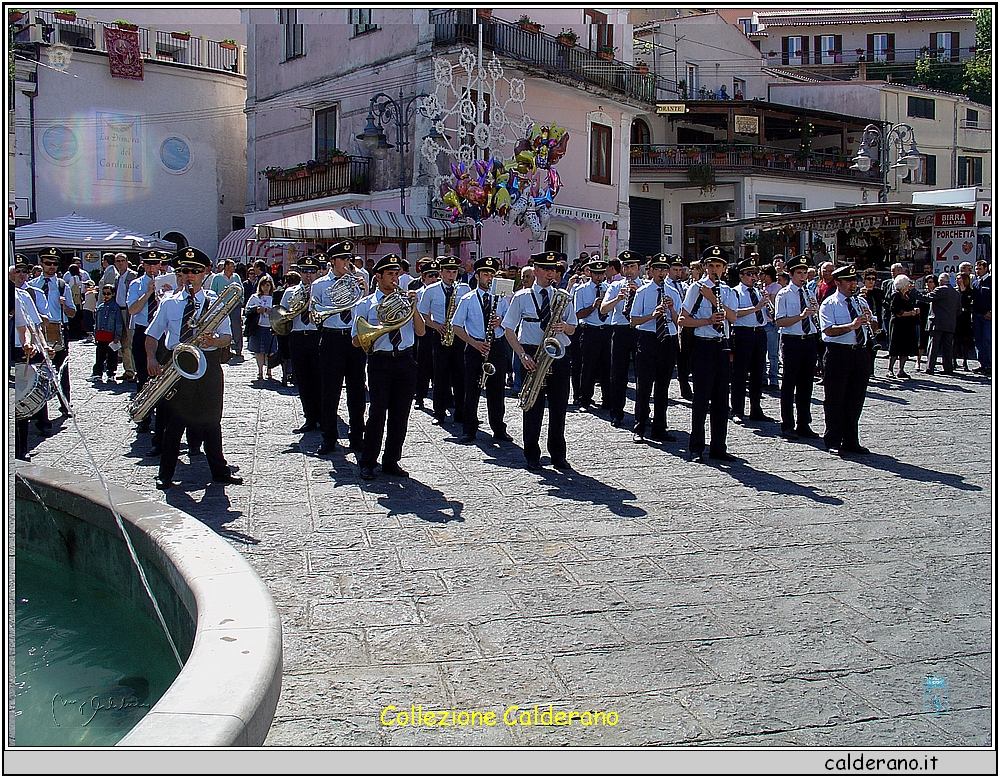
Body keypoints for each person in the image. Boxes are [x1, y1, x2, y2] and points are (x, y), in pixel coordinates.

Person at [145, 247, 242, 490]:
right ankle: (165, 474)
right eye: (185, 271)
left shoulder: (216, 303)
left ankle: (219, 470)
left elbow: (227, 337)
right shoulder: (169, 303)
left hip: (207, 364)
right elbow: (152, 335)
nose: (189, 276)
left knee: (212, 420)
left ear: (204, 274)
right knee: (175, 422)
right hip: (179, 363)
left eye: (195, 272)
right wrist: (151, 359)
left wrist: (215, 341)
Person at [352, 253, 426, 480]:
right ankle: (368, 461)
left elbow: (421, 331)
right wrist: (378, 329)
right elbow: (356, 340)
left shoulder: (405, 300)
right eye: (390, 274)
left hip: (405, 359)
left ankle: (391, 460)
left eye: (397, 274)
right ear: (378, 276)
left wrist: (413, 307)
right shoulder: (365, 304)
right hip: (380, 361)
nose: (395, 278)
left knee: (400, 414)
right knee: (376, 414)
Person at [503, 250, 578, 471]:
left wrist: (564, 327)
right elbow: (509, 329)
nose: (550, 273)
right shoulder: (522, 297)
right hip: (532, 353)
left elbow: (573, 328)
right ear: (535, 271)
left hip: (558, 354)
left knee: (558, 408)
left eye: (553, 270)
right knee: (532, 406)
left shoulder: (562, 297)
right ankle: (532, 455)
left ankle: (558, 455)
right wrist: (521, 355)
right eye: (546, 269)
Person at [678, 245, 738, 463]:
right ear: (704, 267)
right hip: (703, 346)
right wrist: (707, 320)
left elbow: (733, 318)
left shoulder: (729, 291)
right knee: (701, 399)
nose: (714, 270)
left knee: (721, 401)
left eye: (718, 266)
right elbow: (682, 320)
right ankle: (696, 447)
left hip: (722, 346)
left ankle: (719, 447)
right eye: (711, 265)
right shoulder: (696, 288)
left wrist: (714, 299)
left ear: (724, 269)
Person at [312, 241, 368, 455]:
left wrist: (364, 291)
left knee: (357, 390)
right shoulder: (320, 285)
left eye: (349, 260)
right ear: (332, 261)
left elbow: (362, 311)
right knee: (330, 391)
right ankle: (329, 437)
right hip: (331, 338)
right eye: (343, 259)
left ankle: (357, 436)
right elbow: (314, 313)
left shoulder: (357, 282)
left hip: (353, 339)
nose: (347, 263)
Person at [452, 255, 512, 444]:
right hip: (475, 346)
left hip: (496, 346)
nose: (489, 277)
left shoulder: (501, 299)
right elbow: (456, 326)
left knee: (497, 390)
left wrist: (501, 322)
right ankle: (469, 429)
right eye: (485, 273)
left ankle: (499, 428)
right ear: (477, 276)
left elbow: (510, 321)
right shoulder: (468, 298)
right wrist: (473, 343)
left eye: (491, 274)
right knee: (472, 389)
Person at [818, 265, 874, 456]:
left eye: (854, 281)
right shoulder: (829, 304)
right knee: (835, 399)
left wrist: (869, 319)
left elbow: (874, 324)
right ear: (838, 283)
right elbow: (828, 331)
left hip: (860, 353)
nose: (853, 285)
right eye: (849, 282)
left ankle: (851, 440)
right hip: (838, 354)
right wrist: (852, 325)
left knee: (855, 399)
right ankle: (832, 439)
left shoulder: (859, 302)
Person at [629, 253, 681, 443]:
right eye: (658, 269)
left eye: (664, 269)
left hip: (668, 338)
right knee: (644, 385)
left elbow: (679, 321)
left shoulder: (673, 292)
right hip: (648, 337)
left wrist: (672, 309)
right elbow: (634, 321)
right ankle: (640, 426)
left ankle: (660, 427)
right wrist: (652, 315)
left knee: (663, 386)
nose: (662, 273)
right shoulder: (643, 292)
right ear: (651, 271)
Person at [417, 256, 470, 425]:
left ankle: (461, 412)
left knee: (460, 375)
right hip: (439, 335)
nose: (451, 275)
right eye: (447, 272)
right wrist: (435, 325)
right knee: (440, 375)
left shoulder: (464, 289)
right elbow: (422, 313)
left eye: (454, 272)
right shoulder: (430, 290)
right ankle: (439, 412)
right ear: (440, 272)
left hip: (459, 335)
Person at [773, 254, 820, 440]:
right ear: (791, 274)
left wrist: (814, 311)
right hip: (792, 340)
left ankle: (804, 423)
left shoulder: (809, 292)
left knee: (806, 384)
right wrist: (801, 316)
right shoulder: (784, 294)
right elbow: (780, 321)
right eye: (799, 273)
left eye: (804, 273)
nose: (803, 276)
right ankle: (787, 424)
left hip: (809, 339)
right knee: (789, 384)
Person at [29, 246, 76, 419]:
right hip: (39, 332)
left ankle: (65, 404)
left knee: (61, 371)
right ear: (41, 263)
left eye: (54, 264)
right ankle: (40, 412)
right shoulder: (32, 286)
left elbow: (72, 313)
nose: (51, 267)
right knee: (40, 371)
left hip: (58, 331)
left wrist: (65, 305)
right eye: (48, 263)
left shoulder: (63, 285)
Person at [127, 250, 171, 433]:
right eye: (149, 264)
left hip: (162, 332)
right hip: (142, 330)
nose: (153, 268)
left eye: (156, 264)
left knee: (164, 374)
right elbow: (132, 310)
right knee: (143, 374)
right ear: (143, 265)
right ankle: (143, 415)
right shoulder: (136, 284)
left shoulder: (169, 281)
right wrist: (148, 293)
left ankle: (164, 417)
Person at [600, 250, 644, 426]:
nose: (629, 271)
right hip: (620, 330)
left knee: (643, 374)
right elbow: (603, 310)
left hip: (639, 330)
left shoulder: (645, 287)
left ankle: (642, 414)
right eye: (626, 267)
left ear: (639, 268)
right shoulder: (615, 286)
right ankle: (616, 412)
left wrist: (639, 292)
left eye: (632, 267)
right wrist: (618, 299)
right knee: (618, 373)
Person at [729, 257, 774, 424]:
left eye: (755, 274)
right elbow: (734, 314)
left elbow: (767, 313)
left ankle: (756, 409)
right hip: (743, 334)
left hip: (759, 333)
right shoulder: (735, 292)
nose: (754, 277)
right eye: (750, 274)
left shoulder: (758, 291)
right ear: (741, 275)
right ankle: (737, 410)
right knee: (740, 374)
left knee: (758, 372)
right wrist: (756, 308)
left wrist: (769, 308)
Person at [284, 257, 323, 433]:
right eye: (305, 271)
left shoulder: (322, 290)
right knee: (303, 379)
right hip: (298, 336)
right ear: (299, 272)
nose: (308, 275)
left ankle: (323, 416)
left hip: (317, 336)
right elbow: (282, 315)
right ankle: (309, 417)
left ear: (318, 272)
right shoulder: (290, 292)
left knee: (319, 379)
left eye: (312, 271)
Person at [574, 258, 613, 411]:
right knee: (588, 367)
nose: (599, 277)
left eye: (601, 274)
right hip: (590, 329)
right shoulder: (581, 290)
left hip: (606, 330)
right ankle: (585, 399)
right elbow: (577, 314)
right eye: (596, 274)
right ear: (590, 273)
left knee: (607, 367)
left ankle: (607, 399)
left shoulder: (609, 288)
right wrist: (593, 307)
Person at [412, 259, 440, 409]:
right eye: (430, 276)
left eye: (436, 275)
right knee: (423, 365)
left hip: (439, 331)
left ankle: (442, 398)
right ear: (423, 277)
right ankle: (420, 396)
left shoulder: (441, 291)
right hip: (424, 332)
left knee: (439, 367)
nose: (434, 279)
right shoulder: (417, 294)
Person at [924, 273, 961, 375]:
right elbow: (959, 311)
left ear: (940, 282)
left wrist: (913, 292)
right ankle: (948, 368)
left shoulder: (940, 290)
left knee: (933, 346)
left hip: (937, 323)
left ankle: (929, 367)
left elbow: (927, 298)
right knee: (947, 347)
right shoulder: (956, 293)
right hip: (950, 323)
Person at [246, 274, 279, 381]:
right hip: (257, 326)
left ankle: (269, 370)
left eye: (268, 285)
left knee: (270, 351)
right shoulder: (255, 297)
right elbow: (247, 310)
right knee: (258, 350)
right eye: (263, 285)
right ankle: (260, 371)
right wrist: (256, 309)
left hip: (270, 327)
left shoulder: (275, 298)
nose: (265, 287)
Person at [886, 274, 920, 379]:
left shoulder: (908, 295)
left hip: (907, 325)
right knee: (895, 347)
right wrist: (910, 313)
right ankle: (890, 370)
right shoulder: (896, 295)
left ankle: (901, 370)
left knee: (905, 348)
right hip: (898, 324)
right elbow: (896, 310)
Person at [112, 253, 138, 381]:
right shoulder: (117, 277)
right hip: (118, 311)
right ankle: (128, 370)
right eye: (118, 261)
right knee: (123, 342)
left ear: (127, 262)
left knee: (132, 341)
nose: (120, 263)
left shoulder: (132, 276)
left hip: (129, 312)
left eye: (122, 261)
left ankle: (135, 369)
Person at [211, 259, 245, 358]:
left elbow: (241, 289)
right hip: (222, 306)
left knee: (236, 326)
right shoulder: (217, 278)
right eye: (232, 266)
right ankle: (225, 348)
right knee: (223, 327)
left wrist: (241, 299)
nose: (234, 268)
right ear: (226, 267)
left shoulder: (236, 277)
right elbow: (213, 291)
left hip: (234, 305)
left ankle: (238, 348)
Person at [91, 284, 124, 382]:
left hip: (111, 335)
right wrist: (95, 334)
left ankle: (111, 373)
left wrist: (117, 336)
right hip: (101, 334)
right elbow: (97, 322)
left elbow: (118, 322)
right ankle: (98, 373)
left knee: (112, 356)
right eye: (104, 293)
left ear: (113, 294)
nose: (106, 296)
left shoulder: (115, 308)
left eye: (108, 293)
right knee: (100, 355)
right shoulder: (100, 307)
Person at [761, 264, 781, 389]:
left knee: (773, 354)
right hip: (762, 322)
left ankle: (773, 379)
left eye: (762, 275)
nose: (759, 277)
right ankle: (763, 378)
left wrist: (767, 298)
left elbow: (773, 305)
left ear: (768, 275)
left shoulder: (776, 287)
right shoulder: (762, 287)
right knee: (761, 353)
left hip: (771, 322)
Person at [971, 258, 991, 375]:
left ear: (985, 269)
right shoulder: (975, 282)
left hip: (988, 316)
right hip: (977, 315)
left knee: (988, 339)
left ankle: (990, 364)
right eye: (976, 269)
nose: (977, 271)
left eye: (979, 269)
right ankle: (982, 364)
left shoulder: (991, 281)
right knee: (978, 340)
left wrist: (991, 311)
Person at [955, 271, 975, 370]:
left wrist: (963, 291)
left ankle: (965, 361)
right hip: (956, 317)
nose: (958, 281)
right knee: (955, 340)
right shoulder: (955, 291)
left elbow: (967, 302)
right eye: (957, 279)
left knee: (965, 340)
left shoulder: (970, 291)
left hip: (966, 316)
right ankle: (953, 361)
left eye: (960, 279)